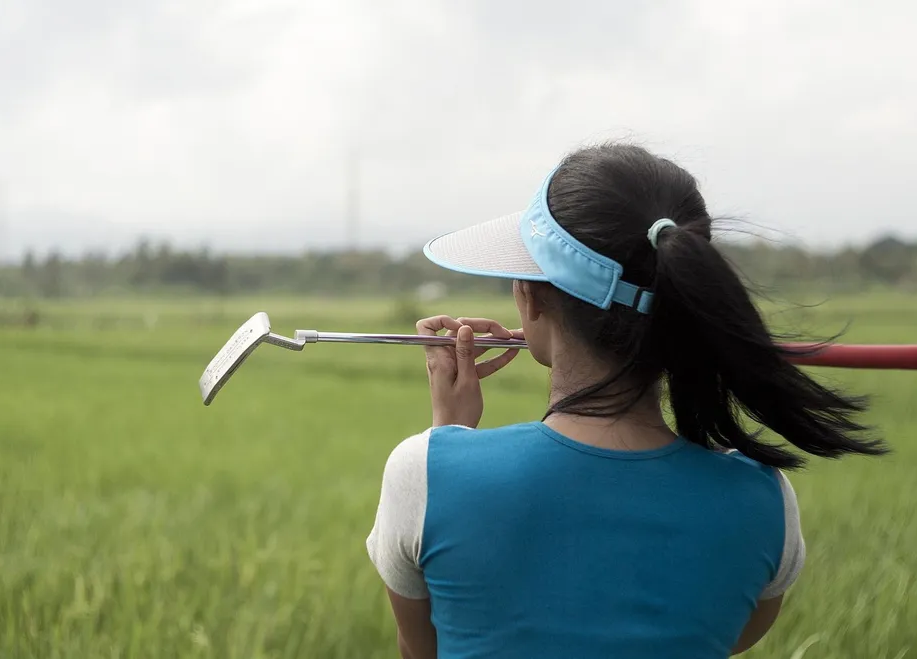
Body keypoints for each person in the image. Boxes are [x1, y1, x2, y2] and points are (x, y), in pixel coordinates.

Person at [365, 141, 887, 658]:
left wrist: (447, 439)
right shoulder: (766, 501)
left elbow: (424, 648)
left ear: (532, 295)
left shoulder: (427, 473)